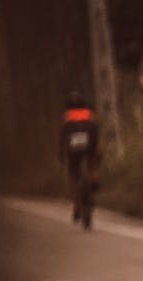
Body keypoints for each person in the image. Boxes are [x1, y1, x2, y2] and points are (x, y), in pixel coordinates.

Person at [58, 91, 100, 223]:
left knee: (74, 176)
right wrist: (98, 149)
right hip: (89, 144)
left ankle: (77, 207)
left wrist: (61, 153)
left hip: (73, 148)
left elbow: (62, 137)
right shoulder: (89, 114)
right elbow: (96, 132)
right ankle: (93, 179)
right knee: (91, 163)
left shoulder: (66, 117)